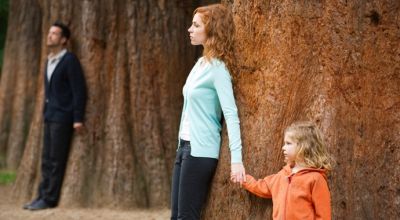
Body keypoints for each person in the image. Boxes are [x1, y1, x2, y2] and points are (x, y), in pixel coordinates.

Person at [171, 4, 246, 220]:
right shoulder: (200, 64)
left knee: (187, 217)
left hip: (200, 152)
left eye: (196, 25)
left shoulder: (218, 70)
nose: (189, 29)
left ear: (211, 30)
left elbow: (231, 115)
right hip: (184, 147)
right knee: (175, 216)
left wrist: (236, 160)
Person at [23, 21, 87, 210]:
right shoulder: (49, 60)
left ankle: (49, 199)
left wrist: (78, 118)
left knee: (56, 160)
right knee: (46, 159)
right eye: (49, 32)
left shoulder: (69, 60)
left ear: (64, 39)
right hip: (49, 116)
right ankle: (41, 195)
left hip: (64, 117)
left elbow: (79, 91)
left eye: (55, 33)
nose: (50, 36)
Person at [238, 121, 333, 220]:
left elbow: (323, 215)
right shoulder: (283, 174)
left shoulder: (316, 179)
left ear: (303, 146)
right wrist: (244, 179)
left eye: (288, 143)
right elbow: (262, 186)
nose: (283, 148)